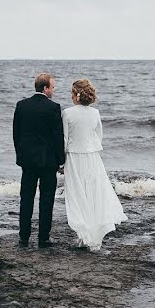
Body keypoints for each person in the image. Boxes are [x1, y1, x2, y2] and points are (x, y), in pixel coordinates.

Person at [62, 79, 127, 251]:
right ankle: (92, 236)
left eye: (71, 92)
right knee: (93, 193)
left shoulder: (67, 113)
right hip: (92, 157)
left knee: (78, 194)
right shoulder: (95, 113)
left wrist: (61, 162)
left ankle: (84, 234)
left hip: (75, 157)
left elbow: (65, 140)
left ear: (76, 95)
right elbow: (99, 136)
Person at [13, 72, 66, 248]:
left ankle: (24, 238)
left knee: (26, 198)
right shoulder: (53, 108)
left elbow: (16, 134)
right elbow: (58, 137)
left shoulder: (21, 106)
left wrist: (20, 156)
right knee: (46, 199)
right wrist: (61, 160)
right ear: (45, 88)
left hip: (27, 161)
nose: (54, 90)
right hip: (48, 162)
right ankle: (43, 238)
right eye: (52, 87)